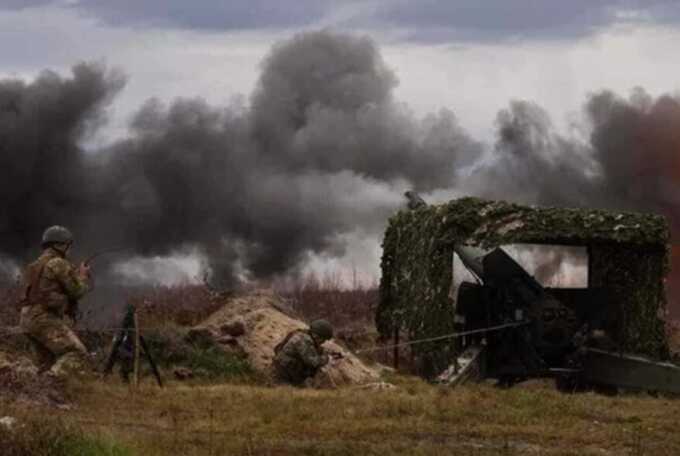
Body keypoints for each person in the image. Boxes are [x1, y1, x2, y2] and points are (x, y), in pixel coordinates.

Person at [19, 225, 92, 377]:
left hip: (27, 318)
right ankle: (49, 383)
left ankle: (38, 394)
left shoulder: (34, 266)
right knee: (77, 353)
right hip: (43, 318)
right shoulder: (58, 263)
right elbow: (77, 292)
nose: (69, 249)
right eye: (68, 245)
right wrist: (83, 276)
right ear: (60, 245)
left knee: (47, 362)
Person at [272, 319, 334, 386]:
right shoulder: (304, 340)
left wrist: (324, 352)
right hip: (284, 373)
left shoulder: (304, 335)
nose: (323, 342)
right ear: (316, 336)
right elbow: (313, 362)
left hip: (287, 370)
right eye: (323, 339)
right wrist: (327, 358)